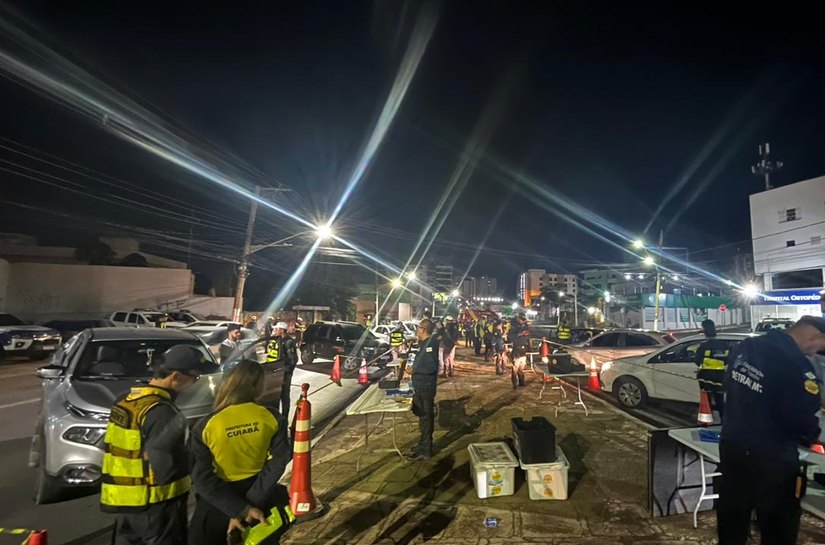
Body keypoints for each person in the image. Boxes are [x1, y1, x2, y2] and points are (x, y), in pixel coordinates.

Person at [718, 315, 825, 545]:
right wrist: (814, 436)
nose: (816, 352)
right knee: (780, 523)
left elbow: (728, 385)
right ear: (814, 336)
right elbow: (801, 417)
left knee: (733, 517)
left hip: (732, 447)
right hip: (773, 459)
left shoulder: (745, 347)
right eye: (820, 346)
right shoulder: (796, 365)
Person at [100, 345, 215, 545]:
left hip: (125, 501)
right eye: (195, 377)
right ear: (176, 376)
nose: (196, 383)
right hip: (156, 507)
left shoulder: (126, 402)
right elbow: (166, 467)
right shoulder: (162, 413)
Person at [188, 360, 293, 545]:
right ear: (257, 385)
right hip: (261, 498)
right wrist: (251, 506)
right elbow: (279, 460)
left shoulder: (205, 426)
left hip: (217, 504)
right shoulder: (272, 417)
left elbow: (202, 478)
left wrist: (239, 509)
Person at [408, 318, 439, 460]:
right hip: (420, 385)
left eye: (418, 328)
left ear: (423, 329)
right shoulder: (424, 343)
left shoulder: (430, 344)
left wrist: (414, 370)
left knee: (426, 417)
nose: (417, 330)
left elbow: (432, 366)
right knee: (422, 416)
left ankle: (425, 450)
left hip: (426, 386)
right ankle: (422, 444)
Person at [693, 319, 729, 418]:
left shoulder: (703, 346)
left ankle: (707, 422)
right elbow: (728, 360)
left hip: (706, 377)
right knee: (720, 401)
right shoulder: (724, 345)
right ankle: (723, 421)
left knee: (706, 401)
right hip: (720, 377)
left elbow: (697, 361)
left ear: (704, 331)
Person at [266, 322, 299, 417]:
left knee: (284, 397)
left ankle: (284, 419)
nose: (274, 331)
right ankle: (275, 418)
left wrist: (284, 372)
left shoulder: (288, 342)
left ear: (281, 330)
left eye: (276, 329)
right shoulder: (277, 340)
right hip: (274, 373)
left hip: (284, 375)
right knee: (274, 397)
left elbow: (292, 360)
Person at [509, 313, 530, 388]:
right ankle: (514, 383)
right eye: (522, 320)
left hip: (523, 350)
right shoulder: (514, 329)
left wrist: (526, 333)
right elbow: (510, 338)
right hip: (516, 350)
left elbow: (528, 335)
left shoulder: (524, 327)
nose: (523, 322)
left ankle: (522, 382)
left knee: (521, 368)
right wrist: (520, 334)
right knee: (515, 368)